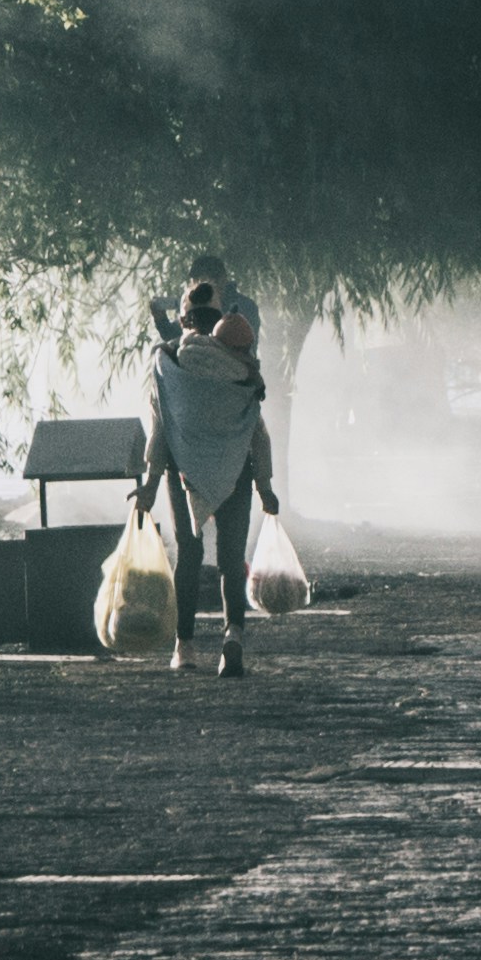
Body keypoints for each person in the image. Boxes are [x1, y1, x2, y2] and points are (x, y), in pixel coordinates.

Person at [142, 276, 274, 676]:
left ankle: (184, 647)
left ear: (183, 320)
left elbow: (160, 429)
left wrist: (149, 485)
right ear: (219, 320)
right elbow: (257, 431)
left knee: (189, 554)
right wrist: (265, 486)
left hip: (184, 472)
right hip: (236, 470)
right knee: (232, 560)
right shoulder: (240, 368)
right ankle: (232, 635)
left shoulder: (168, 364)